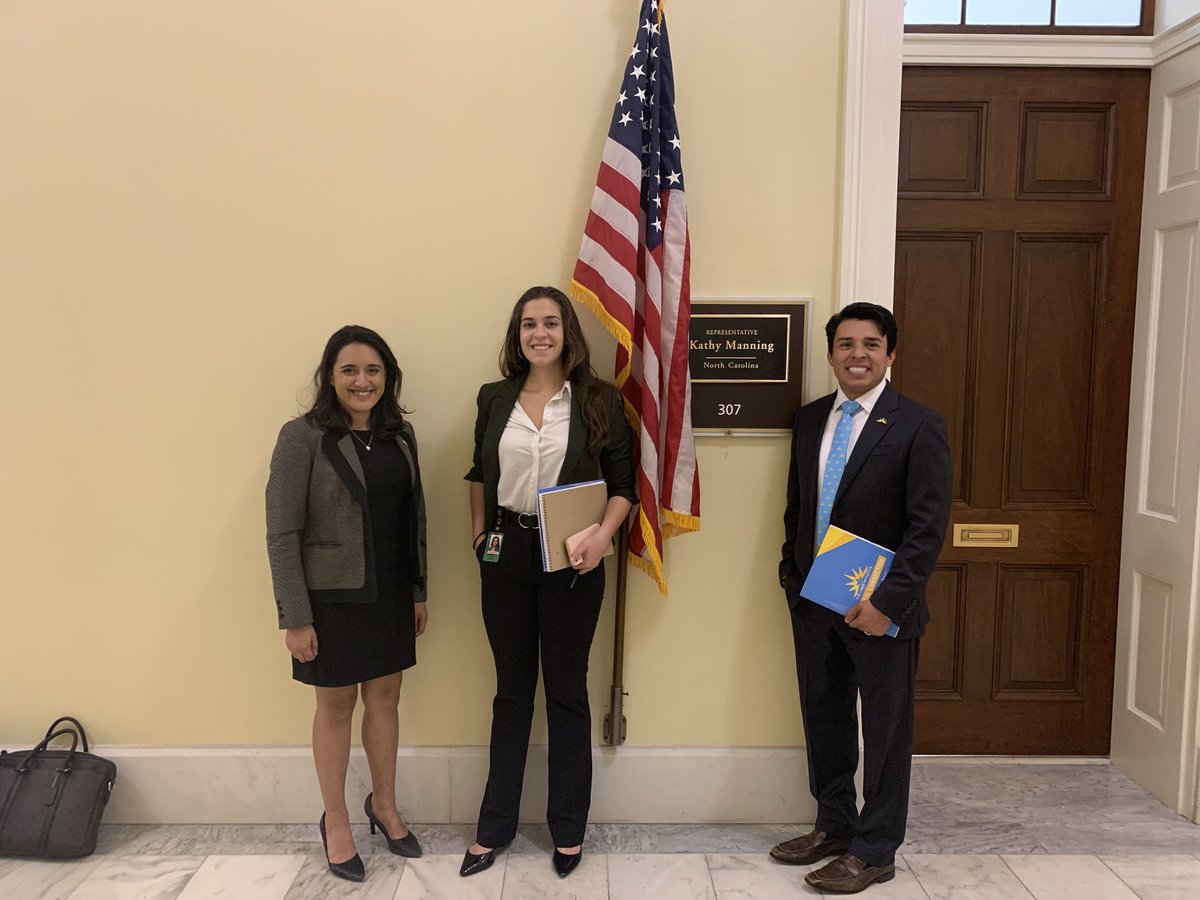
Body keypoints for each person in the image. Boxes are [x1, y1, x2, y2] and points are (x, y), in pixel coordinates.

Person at [773, 302, 951, 894]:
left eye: (871, 344)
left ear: (890, 354)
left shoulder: (918, 425)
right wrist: (791, 577)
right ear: (829, 355)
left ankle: (875, 850)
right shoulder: (810, 418)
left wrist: (888, 603)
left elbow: (926, 529)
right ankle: (834, 826)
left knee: (885, 729)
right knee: (823, 719)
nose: (857, 355)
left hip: (880, 610)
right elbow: (799, 507)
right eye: (846, 344)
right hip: (814, 601)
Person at [460, 286, 636, 880]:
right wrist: (481, 533)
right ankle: (494, 827)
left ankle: (568, 829)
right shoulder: (493, 398)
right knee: (511, 692)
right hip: (506, 556)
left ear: (567, 333)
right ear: (517, 334)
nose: (540, 333)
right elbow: (478, 472)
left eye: (551, 323)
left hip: (573, 559)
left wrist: (602, 535)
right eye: (529, 324)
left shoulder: (598, 399)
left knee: (565, 692)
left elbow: (623, 484)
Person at [266, 325, 428, 883]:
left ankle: (383, 805)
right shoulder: (302, 436)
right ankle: (335, 819)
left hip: (389, 594)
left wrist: (417, 592)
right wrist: (295, 616)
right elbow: (282, 532)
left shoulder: (400, 436)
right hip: (329, 599)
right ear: (330, 377)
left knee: (386, 698)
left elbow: (413, 521)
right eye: (350, 370)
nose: (363, 381)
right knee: (334, 707)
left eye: (373, 370)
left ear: (388, 376)